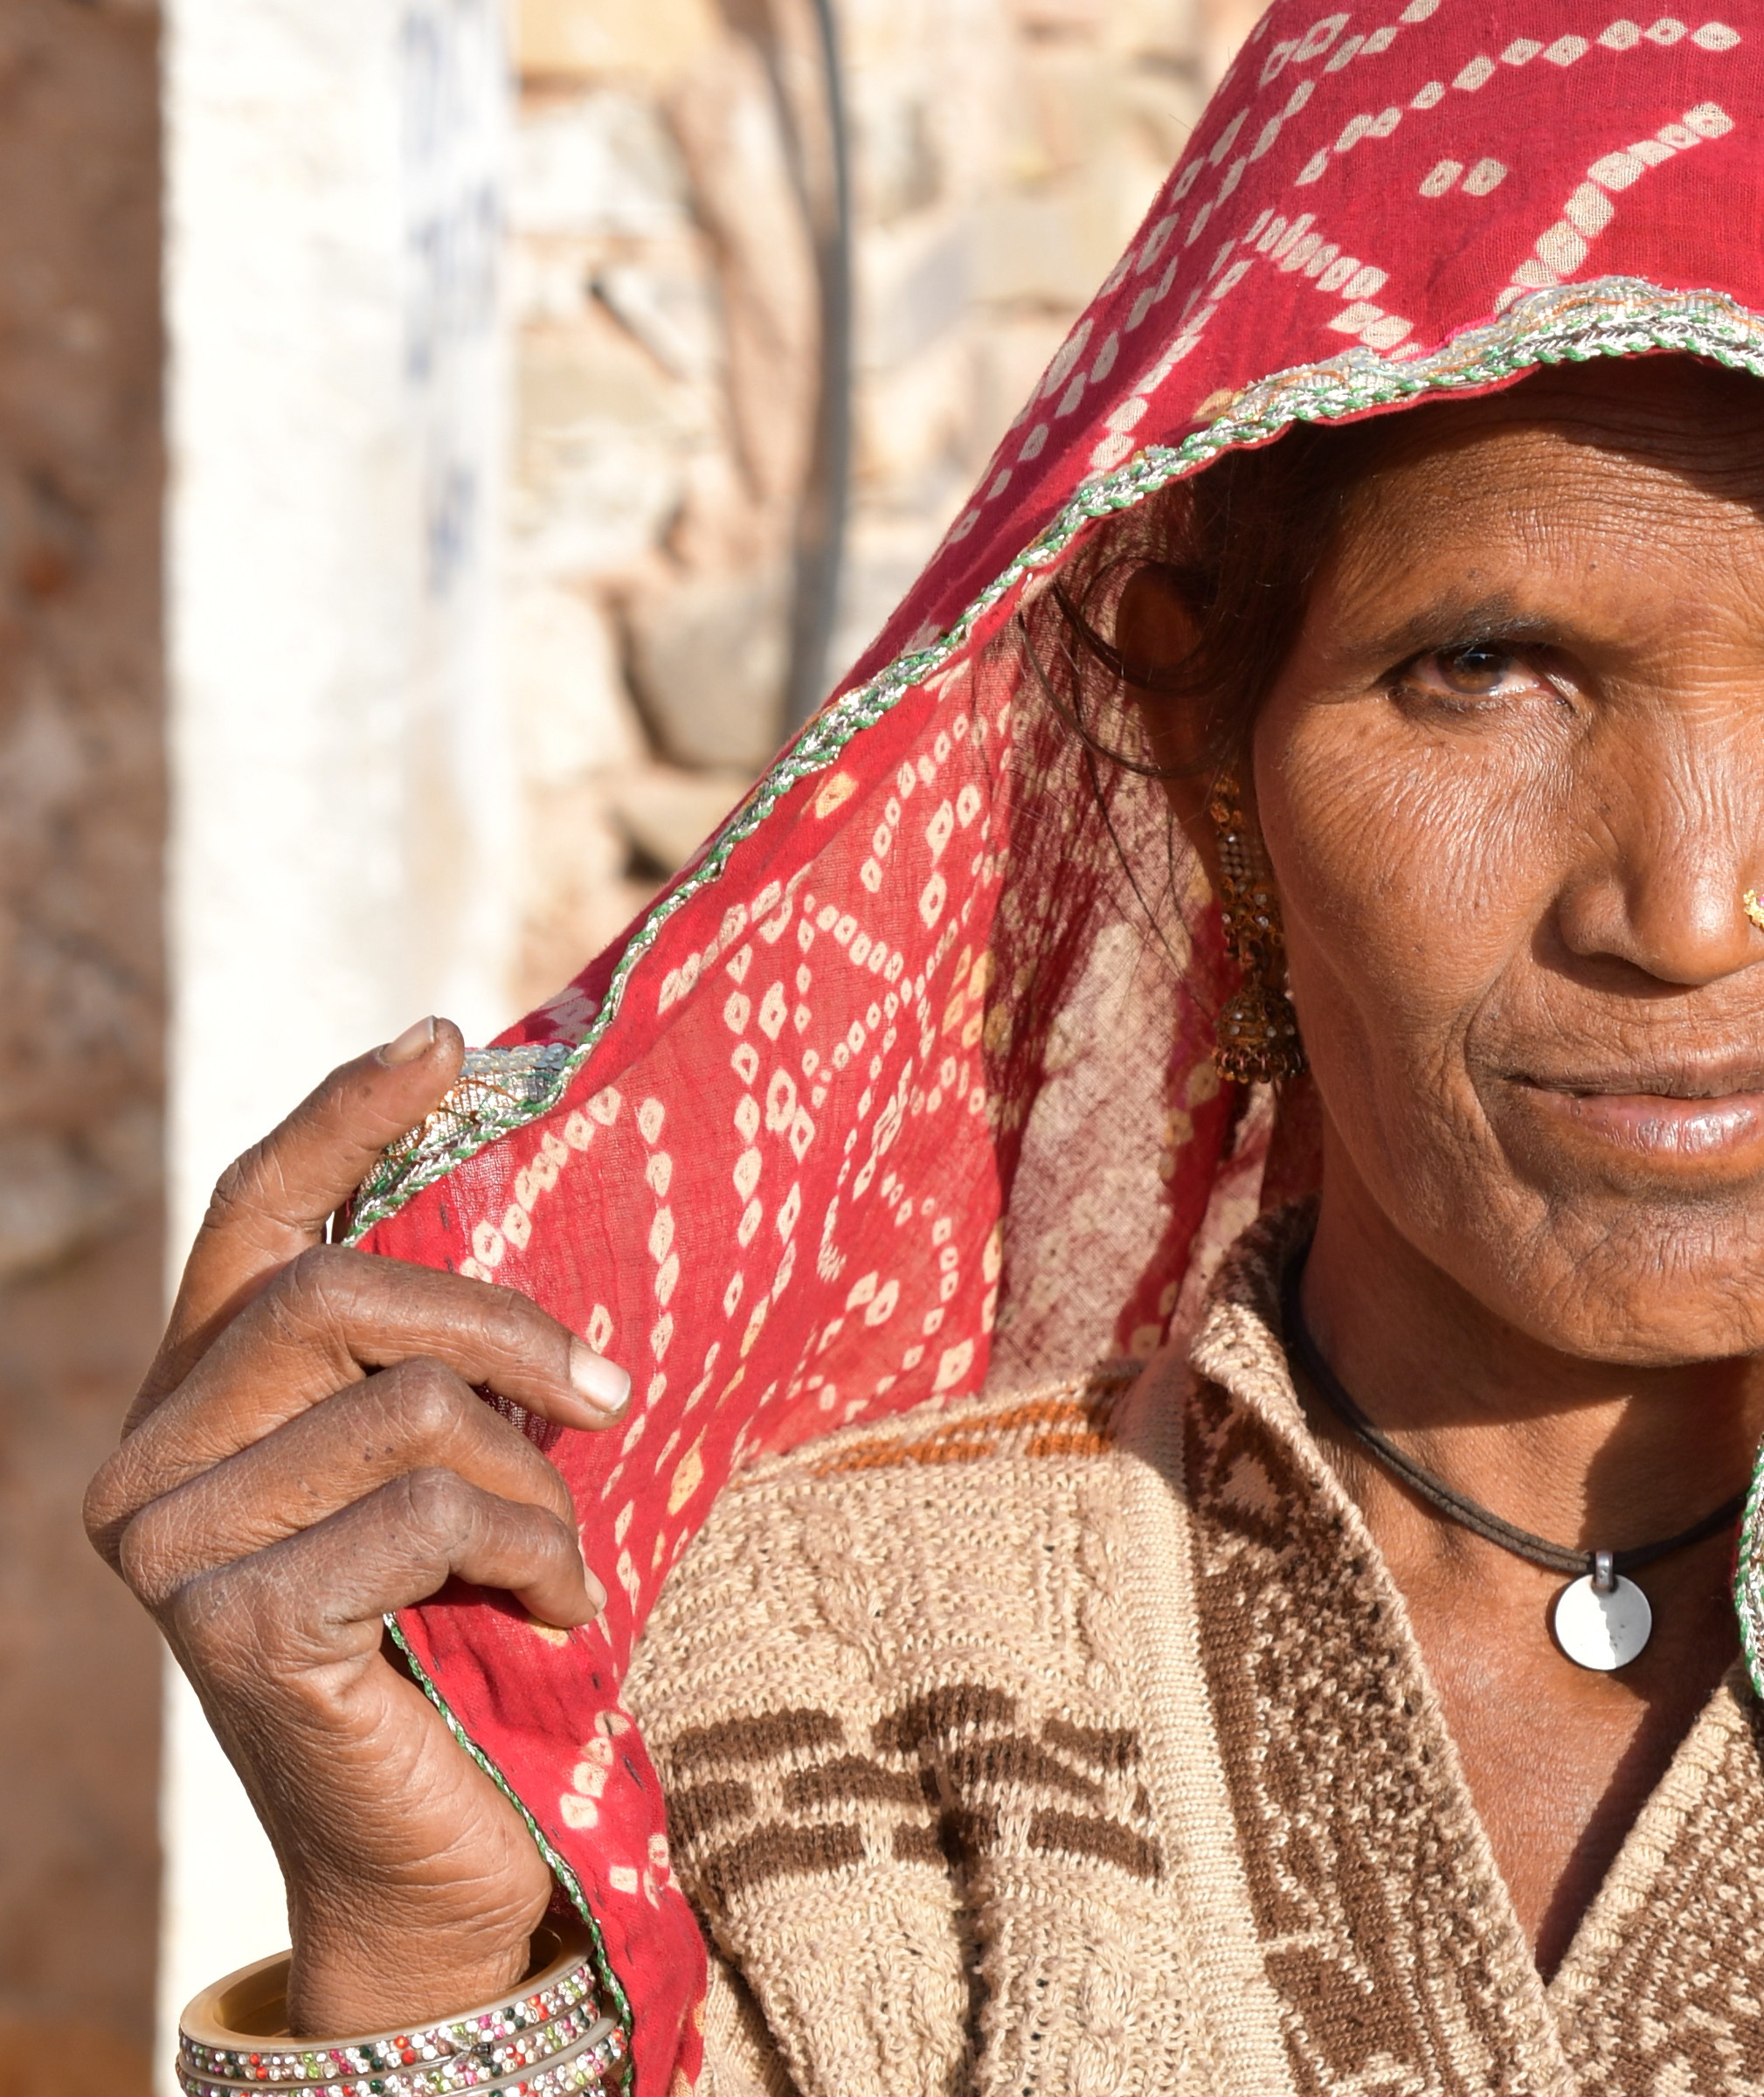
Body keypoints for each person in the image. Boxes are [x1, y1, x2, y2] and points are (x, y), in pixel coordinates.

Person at [87, 4, 1764, 2092]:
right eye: (1482, 668)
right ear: (1201, 739)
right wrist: (418, 1942)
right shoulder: (826, 1647)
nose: (1683, 909)